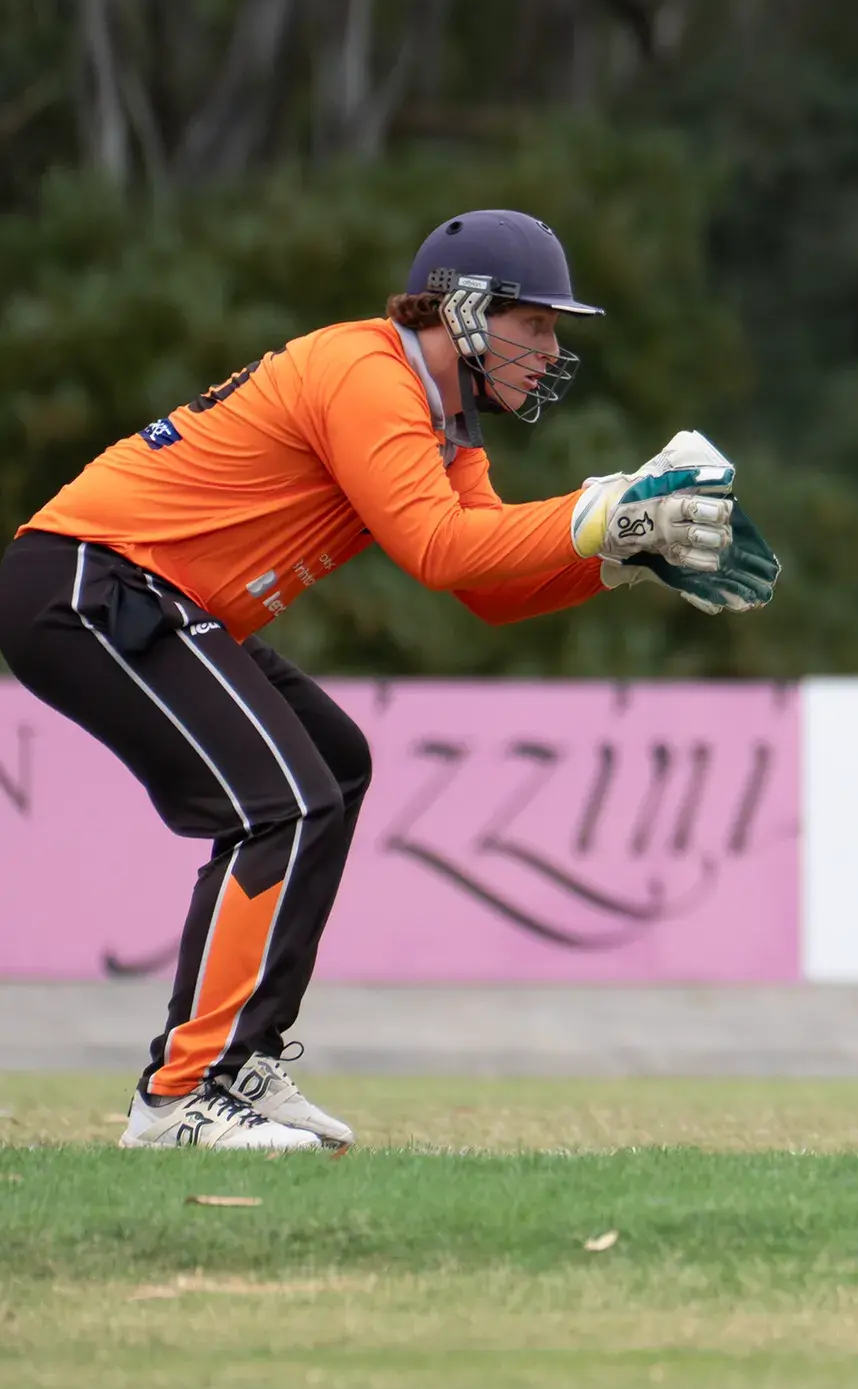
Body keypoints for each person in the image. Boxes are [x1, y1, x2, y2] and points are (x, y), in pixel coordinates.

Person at [0, 210, 777, 1152]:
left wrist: (617, 556)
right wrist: (599, 510)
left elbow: (486, 589)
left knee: (334, 761)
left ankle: (243, 1056)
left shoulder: (447, 423)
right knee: (280, 802)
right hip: (90, 580)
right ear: (463, 307)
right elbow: (442, 551)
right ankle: (179, 1096)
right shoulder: (370, 374)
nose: (549, 348)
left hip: (146, 592)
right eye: (534, 322)